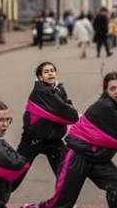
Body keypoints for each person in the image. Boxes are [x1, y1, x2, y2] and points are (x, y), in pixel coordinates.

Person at [19, 71, 117, 208]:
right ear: (106, 91)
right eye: (113, 89)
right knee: (63, 204)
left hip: (95, 156)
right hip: (77, 156)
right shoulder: (104, 107)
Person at [14, 62, 79, 190]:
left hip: (52, 139)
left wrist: (69, 108)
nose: (50, 73)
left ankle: (63, 204)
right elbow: (69, 113)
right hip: (33, 139)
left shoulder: (58, 90)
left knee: (64, 173)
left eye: (52, 70)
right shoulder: (41, 92)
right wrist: (70, 109)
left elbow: (67, 110)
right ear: (40, 77)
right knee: (16, 173)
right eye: (46, 71)